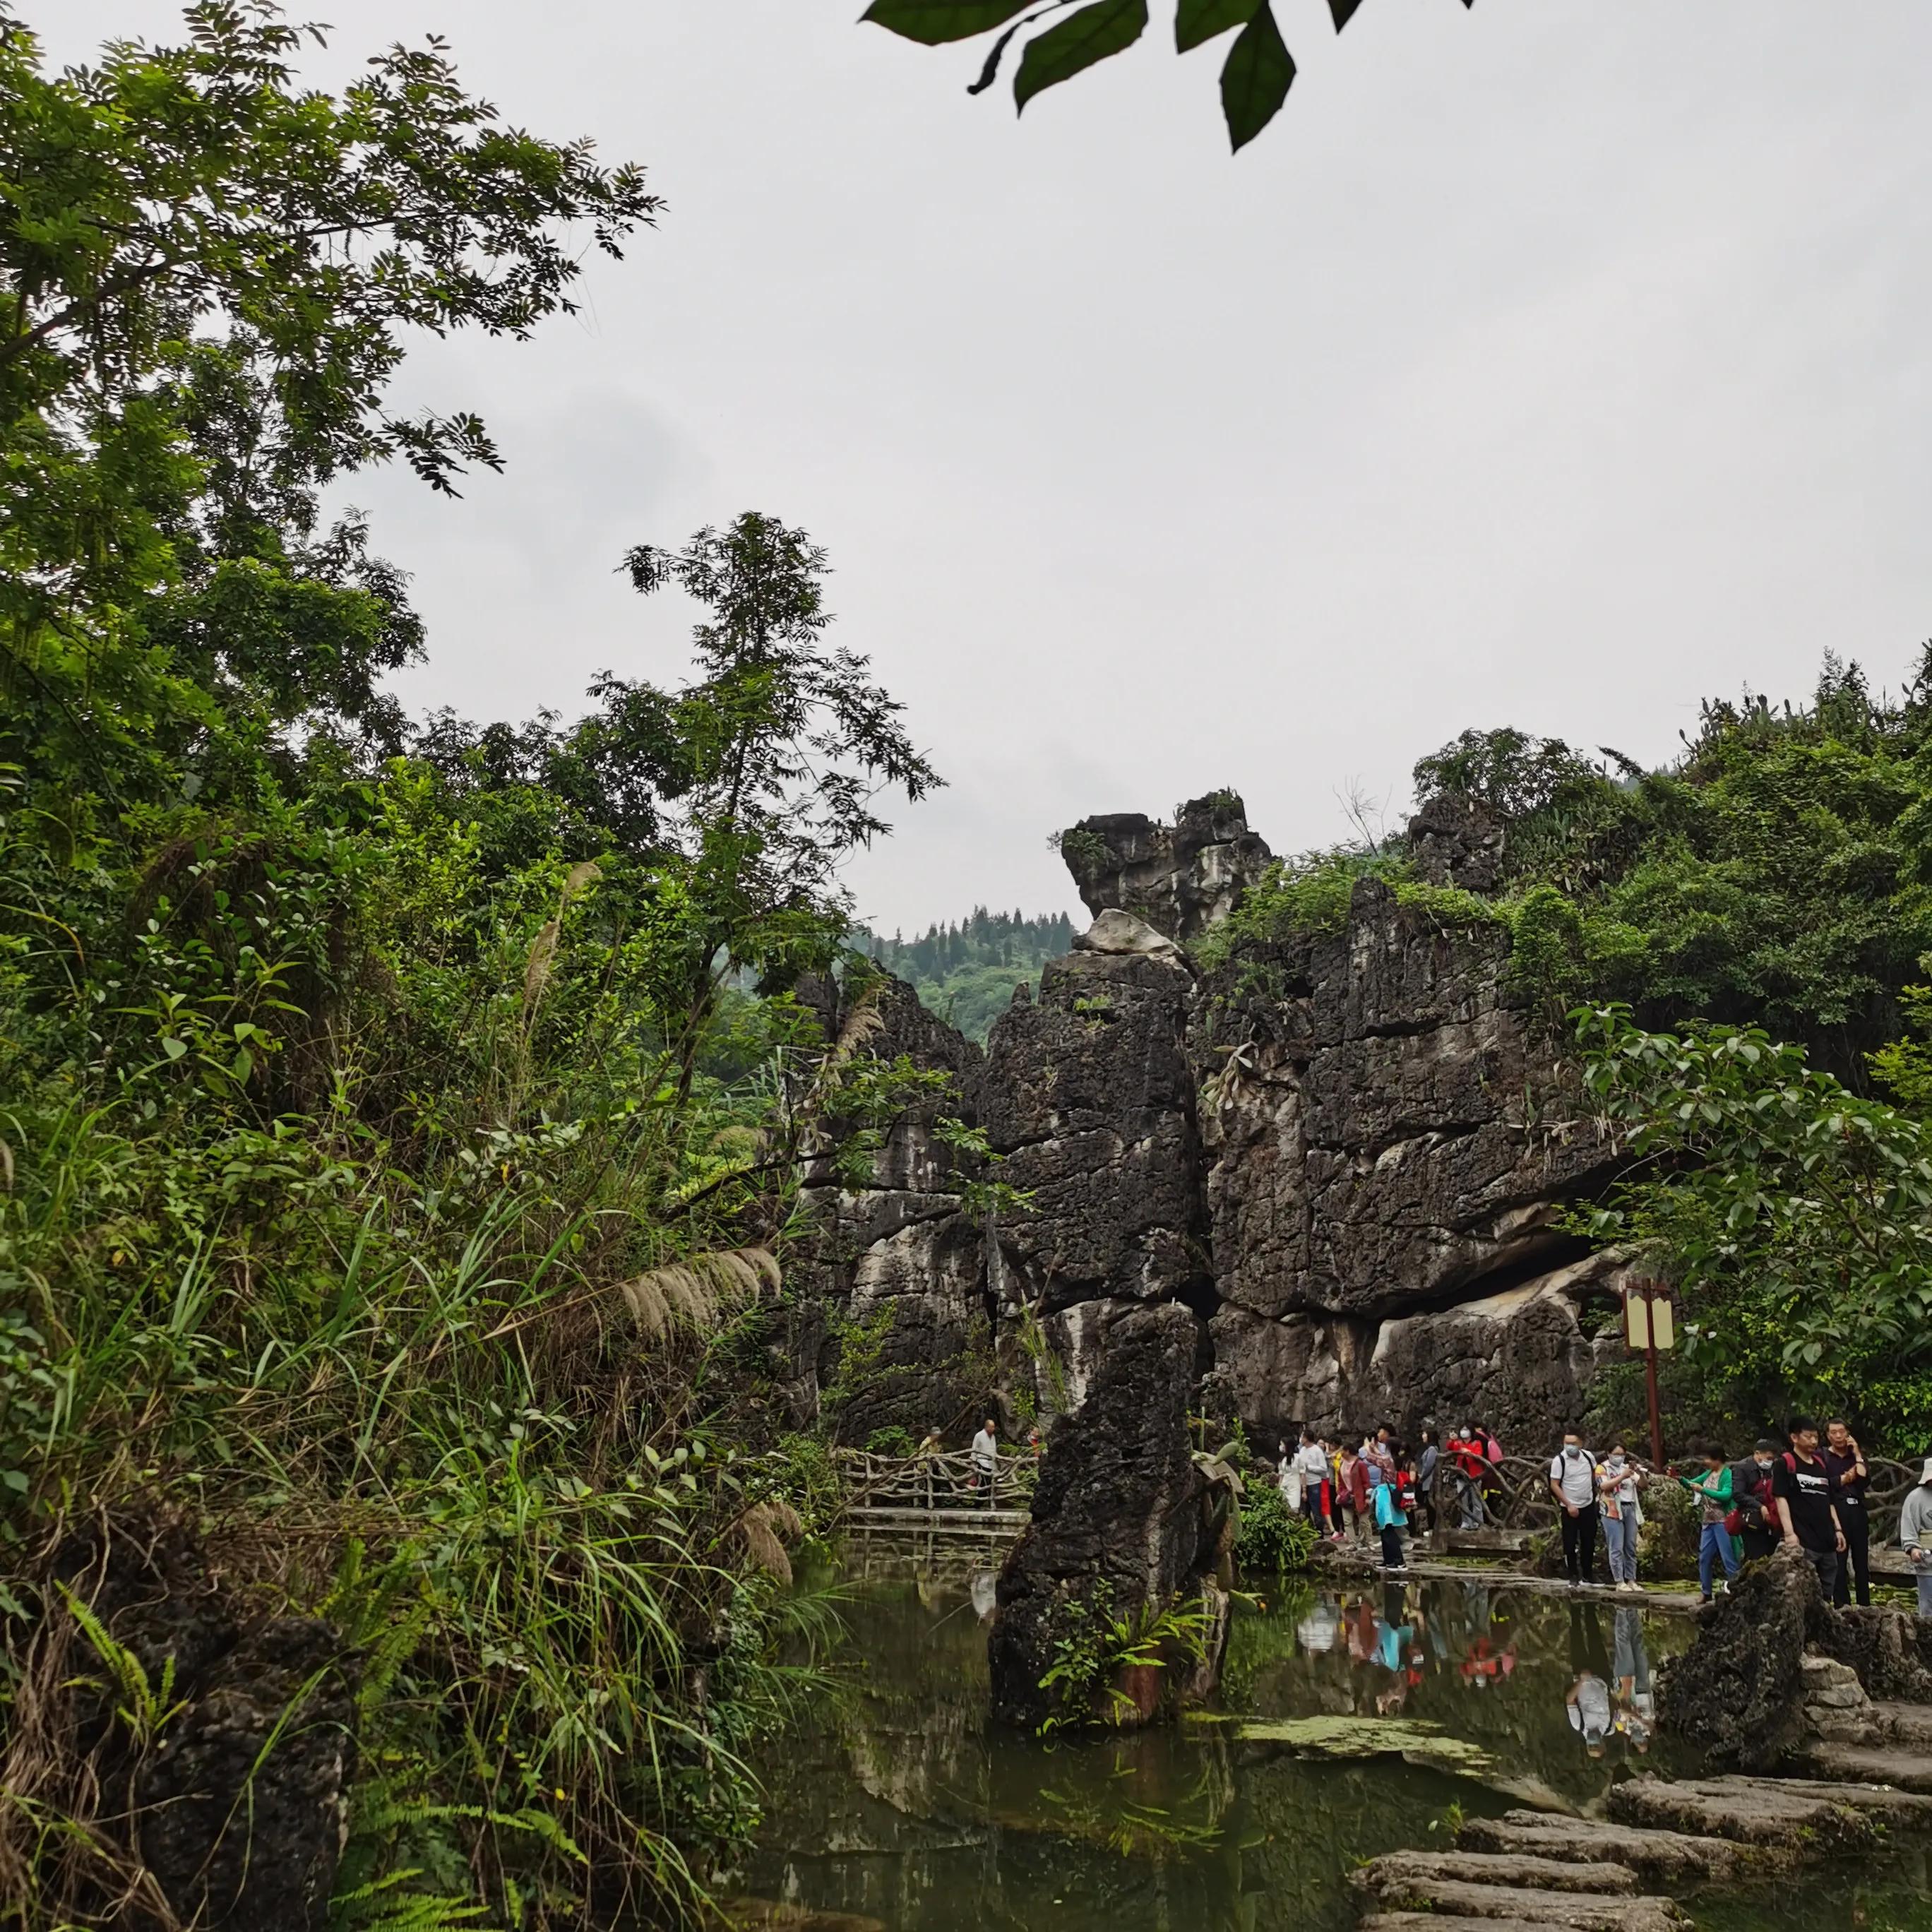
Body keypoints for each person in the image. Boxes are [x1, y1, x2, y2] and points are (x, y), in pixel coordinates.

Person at [1775, 1414, 1846, 1599]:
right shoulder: (1785, 1463)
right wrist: (1790, 1534)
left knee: (1826, 1594)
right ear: (1794, 1438)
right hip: (1804, 1541)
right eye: (1808, 1436)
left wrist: (1838, 1529)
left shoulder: (1821, 1464)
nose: (1814, 1441)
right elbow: (1780, 1499)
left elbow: (1828, 1500)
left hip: (1827, 1541)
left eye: (1816, 1437)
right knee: (1803, 1594)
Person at [1674, 1445, 1740, 1602]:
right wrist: (1680, 1479)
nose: (1706, 1462)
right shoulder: (1709, 1474)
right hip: (1708, 1521)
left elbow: (1726, 1495)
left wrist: (1703, 1490)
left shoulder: (1727, 1475)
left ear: (1717, 1459)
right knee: (1704, 1557)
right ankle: (1706, 1591)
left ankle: (1735, 1589)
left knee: (1728, 1557)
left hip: (1722, 1521)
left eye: (1708, 1459)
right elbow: (1692, 1484)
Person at [1822, 1419, 1872, 1608]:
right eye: (1833, 1432)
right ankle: (1842, 1606)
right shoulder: (1824, 1457)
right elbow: (1828, 1484)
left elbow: (1863, 1480)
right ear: (1828, 1435)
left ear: (1848, 1433)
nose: (1838, 1436)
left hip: (1857, 1510)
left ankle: (1865, 1606)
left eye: (1841, 1432)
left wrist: (1857, 1453)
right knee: (1839, 1563)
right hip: (1837, 1510)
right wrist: (1846, 1478)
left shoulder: (1855, 1457)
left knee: (1861, 1563)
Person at [1549, 1430, 1601, 1587]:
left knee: (1589, 1541)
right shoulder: (1560, 1461)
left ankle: (1588, 1575)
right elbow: (1554, 1485)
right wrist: (1569, 1504)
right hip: (1569, 1507)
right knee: (1570, 1542)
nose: (1569, 1447)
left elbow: (1593, 1475)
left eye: (1573, 1444)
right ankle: (1572, 1575)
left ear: (1581, 1444)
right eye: (1567, 1443)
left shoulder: (1588, 1457)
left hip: (1588, 1504)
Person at [1597, 1441, 1647, 1592]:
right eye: (1616, 1454)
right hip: (1611, 1510)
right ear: (1609, 1454)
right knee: (1616, 1547)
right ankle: (1619, 1581)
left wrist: (1641, 1472)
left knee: (1630, 1546)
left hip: (1629, 1507)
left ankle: (1632, 1579)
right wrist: (1622, 1476)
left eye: (1622, 1455)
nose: (1619, 1457)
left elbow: (1644, 1485)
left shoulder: (1627, 1468)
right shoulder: (1602, 1468)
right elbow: (1604, 1486)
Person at [1734, 1440, 1782, 1564]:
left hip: (1771, 1520)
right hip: (1752, 1519)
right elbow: (1738, 1494)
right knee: (1755, 1558)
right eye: (1768, 1458)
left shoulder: (1772, 1468)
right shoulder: (1742, 1467)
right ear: (1758, 1454)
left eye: (1773, 1459)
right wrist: (1760, 1506)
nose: (1770, 1461)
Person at [1898, 1458, 1932, 1619]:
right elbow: (1908, 1527)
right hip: (1928, 1561)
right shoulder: (1915, 1498)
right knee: (1928, 1608)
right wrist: (1913, 1548)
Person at [1296, 1427, 1333, 1534]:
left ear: (1307, 1438)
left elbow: (1323, 1468)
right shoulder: (1302, 1450)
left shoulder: (1317, 1450)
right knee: (1305, 1509)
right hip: (1303, 1483)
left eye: (1303, 1436)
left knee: (1316, 1508)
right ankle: (1307, 1531)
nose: (1301, 1439)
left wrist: (1309, 1467)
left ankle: (1319, 1531)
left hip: (1315, 1483)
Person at [1374, 1462, 1409, 1573]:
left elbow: (1371, 1457)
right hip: (1384, 1497)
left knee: (1389, 1532)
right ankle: (1389, 1559)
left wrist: (1371, 1447)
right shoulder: (1387, 1463)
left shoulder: (1387, 1461)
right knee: (1385, 1532)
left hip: (1388, 1500)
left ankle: (1399, 1561)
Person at [1417, 1428, 1441, 1537]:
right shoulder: (1430, 1449)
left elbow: (1429, 1466)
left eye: (1425, 1433)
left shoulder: (1432, 1450)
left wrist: (1422, 1476)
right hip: (1427, 1481)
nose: (1423, 1435)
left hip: (1430, 1480)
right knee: (1429, 1504)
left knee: (1431, 1505)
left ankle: (1432, 1528)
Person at [970, 1415, 999, 1508]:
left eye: (994, 1427)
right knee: (986, 1483)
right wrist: (973, 1463)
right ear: (987, 1427)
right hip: (982, 1462)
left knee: (989, 1484)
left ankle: (978, 1504)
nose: (993, 1429)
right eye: (992, 1427)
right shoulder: (979, 1435)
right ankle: (980, 1503)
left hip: (991, 1463)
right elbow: (974, 1449)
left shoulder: (993, 1437)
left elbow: (993, 1450)